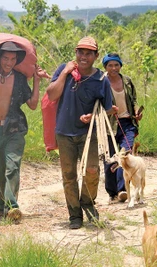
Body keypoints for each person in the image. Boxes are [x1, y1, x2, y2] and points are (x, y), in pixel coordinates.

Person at [46, 36, 117, 229]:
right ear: (76, 52)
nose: (83, 57)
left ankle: (87, 202)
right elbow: (52, 94)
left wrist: (91, 117)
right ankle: (74, 214)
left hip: (90, 134)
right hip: (64, 132)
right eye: (80, 52)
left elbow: (107, 108)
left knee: (91, 172)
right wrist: (65, 73)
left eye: (88, 53)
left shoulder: (101, 79)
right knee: (68, 175)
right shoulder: (64, 70)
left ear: (96, 56)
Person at [0, 41, 46, 223]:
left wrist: (37, 81)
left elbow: (32, 104)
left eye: (13, 59)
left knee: (12, 167)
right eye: (6, 58)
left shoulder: (20, 79)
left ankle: (12, 206)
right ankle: (2, 208)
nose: (9, 62)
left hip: (15, 128)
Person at [102, 53, 143, 204]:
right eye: (110, 65)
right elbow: (96, 105)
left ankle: (122, 190)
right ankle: (112, 192)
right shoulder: (101, 82)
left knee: (124, 155)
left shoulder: (127, 81)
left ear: (120, 66)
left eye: (116, 65)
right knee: (110, 158)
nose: (113, 68)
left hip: (127, 124)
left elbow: (134, 100)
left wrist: (137, 112)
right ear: (105, 67)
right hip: (109, 125)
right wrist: (108, 110)